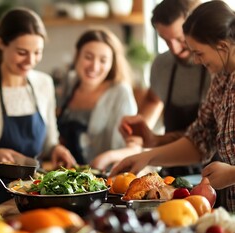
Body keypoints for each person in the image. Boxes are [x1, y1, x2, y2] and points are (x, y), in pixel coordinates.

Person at [110, 0, 235, 212]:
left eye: (199, 53)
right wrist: (147, 155)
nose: (195, 61)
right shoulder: (220, 80)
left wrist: (232, 174)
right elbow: (199, 139)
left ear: (222, 47)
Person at [0, 7, 77, 210]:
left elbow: (49, 142)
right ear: (1, 43)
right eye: (22, 52)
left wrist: (57, 149)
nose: (30, 61)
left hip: (33, 195)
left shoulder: (44, 83)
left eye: (37, 52)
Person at [94, 0, 212, 176]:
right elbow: (153, 100)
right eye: (166, 41)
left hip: (211, 168)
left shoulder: (213, 64)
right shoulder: (162, 65)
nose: (175, 49)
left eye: (180, 39)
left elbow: (206, 135)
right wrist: (139, 133)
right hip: (172, 167)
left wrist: (155, 143)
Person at [56, 27, 138, 167]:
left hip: (104, 178)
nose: (94, 66)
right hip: (68, 178)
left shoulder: (120, 93)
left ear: (112, 64)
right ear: (77, 56)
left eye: (103, 60)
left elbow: (135, 148)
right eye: (88, 57)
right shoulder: (71, 82)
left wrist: (107, 157)